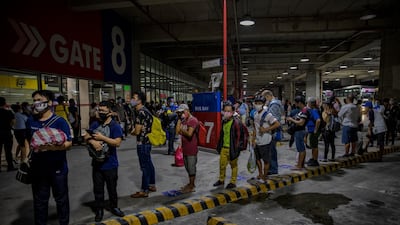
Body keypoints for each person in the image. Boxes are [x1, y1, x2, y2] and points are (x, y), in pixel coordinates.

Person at [27, 90, 72, 225]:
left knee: (61, 200)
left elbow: (69, 144)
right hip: (38, 169)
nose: (36, 103)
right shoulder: (31, 121)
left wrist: (51, 148)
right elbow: (27, 141)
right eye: (35, 100)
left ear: (50, 103)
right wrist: (25, 158)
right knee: (40, 201)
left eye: (40, 100)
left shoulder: (60, 122)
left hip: (57, 169)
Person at [83, 100, 125, 222]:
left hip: (110, 164)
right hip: (96, 163)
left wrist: (102, 138)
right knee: (98, 189)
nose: (100, 112)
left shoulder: (114, 126)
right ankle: (99, 210)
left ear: (110, 112)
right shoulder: (95, 124)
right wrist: (92, 141)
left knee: (112, 188)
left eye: (103, 110)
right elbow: (86, 136)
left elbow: (117, 142)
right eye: (99, 110)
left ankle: (114, 207)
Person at [130, 91, 156, 198]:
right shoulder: (147, 111)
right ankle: (151, 185)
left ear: (139, 101)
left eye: (134, 98)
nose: (132, 100)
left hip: (142, 143)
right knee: (149, 163)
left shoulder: (140, 113)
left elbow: (136, 131)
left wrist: (131, 131)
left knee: (144, 166)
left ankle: (144, 190)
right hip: (147, 142)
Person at [213, 101, 243, 189]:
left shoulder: (236, 123)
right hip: (224, 147)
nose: (227, 113)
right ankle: (221, 180)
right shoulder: (224, 122)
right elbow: (222, 135)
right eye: (225, 111)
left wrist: (238, 148)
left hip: (233, 148)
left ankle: (233, 182)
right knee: (222, 165)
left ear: (233, 112)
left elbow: (239, 136)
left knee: (233, 165)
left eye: (229, 111)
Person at [252, 95, 280, 182]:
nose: (257, 105)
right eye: (256, 103)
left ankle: (264, 176)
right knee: (257, 159)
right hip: (257, 140)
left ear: (263, 104)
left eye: (259, 103)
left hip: (266, 141)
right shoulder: (255, 114)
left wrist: (266, 129)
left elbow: (277, 124)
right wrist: (253, 139)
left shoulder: (268, 115)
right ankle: (260, 174)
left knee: (266, 160)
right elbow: (254, 127)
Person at [175, 103, 199, 193]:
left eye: (182, 112)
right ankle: (190, 183)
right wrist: (179, 120)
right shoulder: (184, 120)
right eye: (179, 113)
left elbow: (189, 134)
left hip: (191, 148)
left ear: (187, 111)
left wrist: (182, 129)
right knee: (187, 167)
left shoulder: (193, 120)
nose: (181, 114)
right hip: (185, 148)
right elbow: (177, 131)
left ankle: (192, 186)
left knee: (191, 167)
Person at [262, 90, 283, 175]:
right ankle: (272, 167)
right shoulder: (274, 103)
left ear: (268, 96)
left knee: (271, 151)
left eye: (264, 98)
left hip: (273, 131)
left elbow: (274, 120)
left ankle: (273, 169)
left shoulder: (274, 105)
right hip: (273, 131)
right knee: (271, 150)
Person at [287, 96, 309, 170]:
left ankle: (299, 165)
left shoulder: (305, 110)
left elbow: (301, 123)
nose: (295, 105)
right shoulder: (302, 110)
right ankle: (301, 164)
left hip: (300, 131)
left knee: (300, 149)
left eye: (296, 103)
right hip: (299, 131)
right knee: (302, 148)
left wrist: (291, 120)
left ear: (299, 103)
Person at [0, 96, 16, 171]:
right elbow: (13, 122)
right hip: (6, 132)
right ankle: (10, 166)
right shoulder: (8, 112)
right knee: (8, 151)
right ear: (4, 103)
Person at [305, 97, 321, 167]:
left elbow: (318, 120)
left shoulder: (314, 110)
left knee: (314, 146)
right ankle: (313, 158)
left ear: (310, 103)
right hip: (311, 130)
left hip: (313, 131)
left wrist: (315, 129)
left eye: (308, 103)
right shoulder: (313, 110)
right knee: (313, 145)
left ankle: (315, 160)